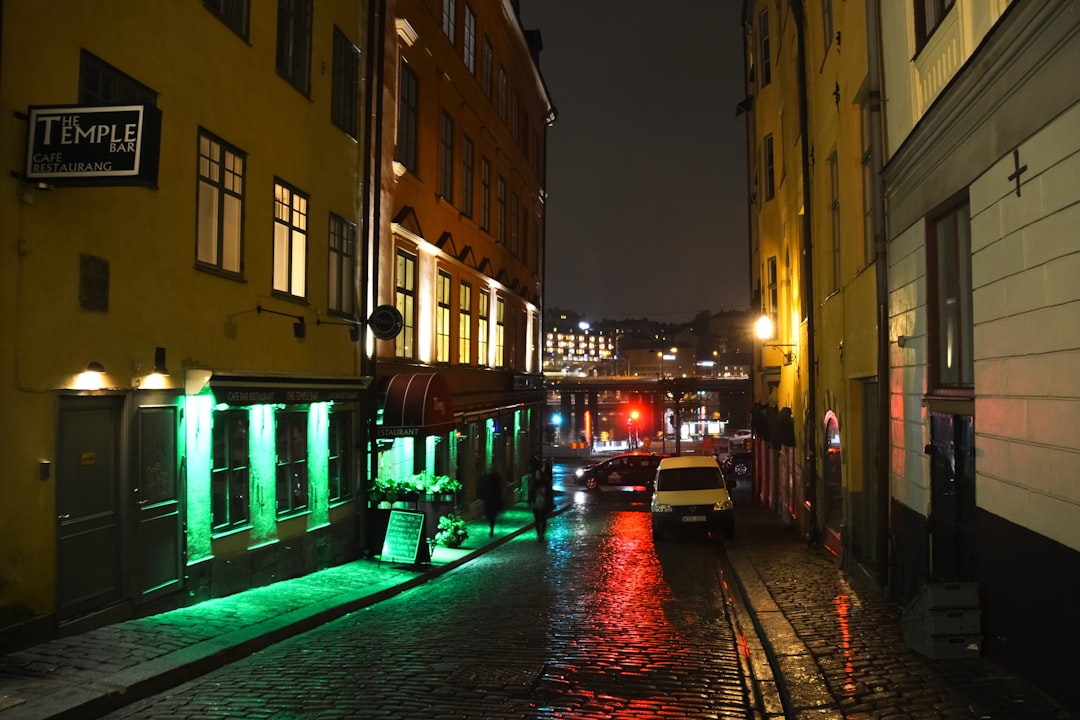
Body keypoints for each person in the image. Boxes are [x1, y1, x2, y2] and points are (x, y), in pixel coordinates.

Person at [528, 455, 555, 540]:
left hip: (543, 504)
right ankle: (539, 534)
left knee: (542, 520)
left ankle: (541, 534)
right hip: (536, 504)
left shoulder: (544, 485)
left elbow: (549, 495)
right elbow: (531, 494)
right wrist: (530, 502)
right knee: (538, 520)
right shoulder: (535, 485)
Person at [479, 465, 503, 537]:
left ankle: (491, 528)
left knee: (491, 514)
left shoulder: (494, 478)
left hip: (492, 499)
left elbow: (498, 489)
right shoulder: (488, 477)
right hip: (490, 499)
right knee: (490, 514)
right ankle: (491, 526)